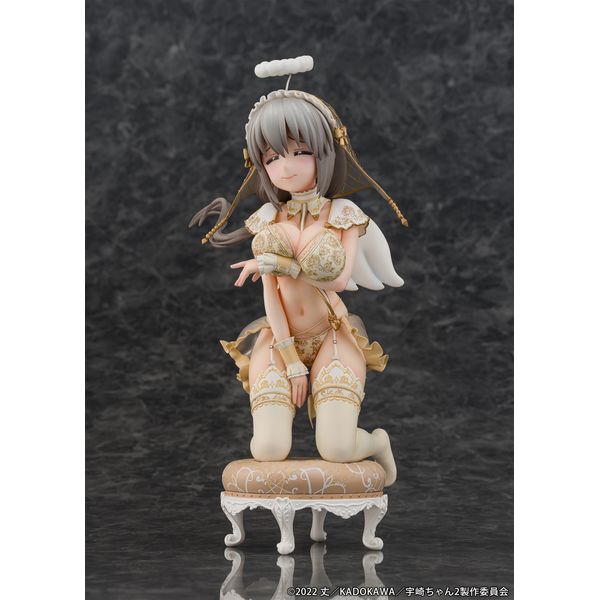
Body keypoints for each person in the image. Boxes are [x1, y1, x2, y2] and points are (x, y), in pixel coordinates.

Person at [189, 56, 409, 486]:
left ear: (326, 151)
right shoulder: (267, 218)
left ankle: (377, 441)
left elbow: (339, 279)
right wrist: (291, 361)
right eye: (272, 157)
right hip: (279, 339)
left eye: (301, 152)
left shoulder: (344, 214)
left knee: (338, 449)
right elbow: (271, 295)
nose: (286, 167)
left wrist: (277, 263)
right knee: (268, 449)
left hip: (331, 334)